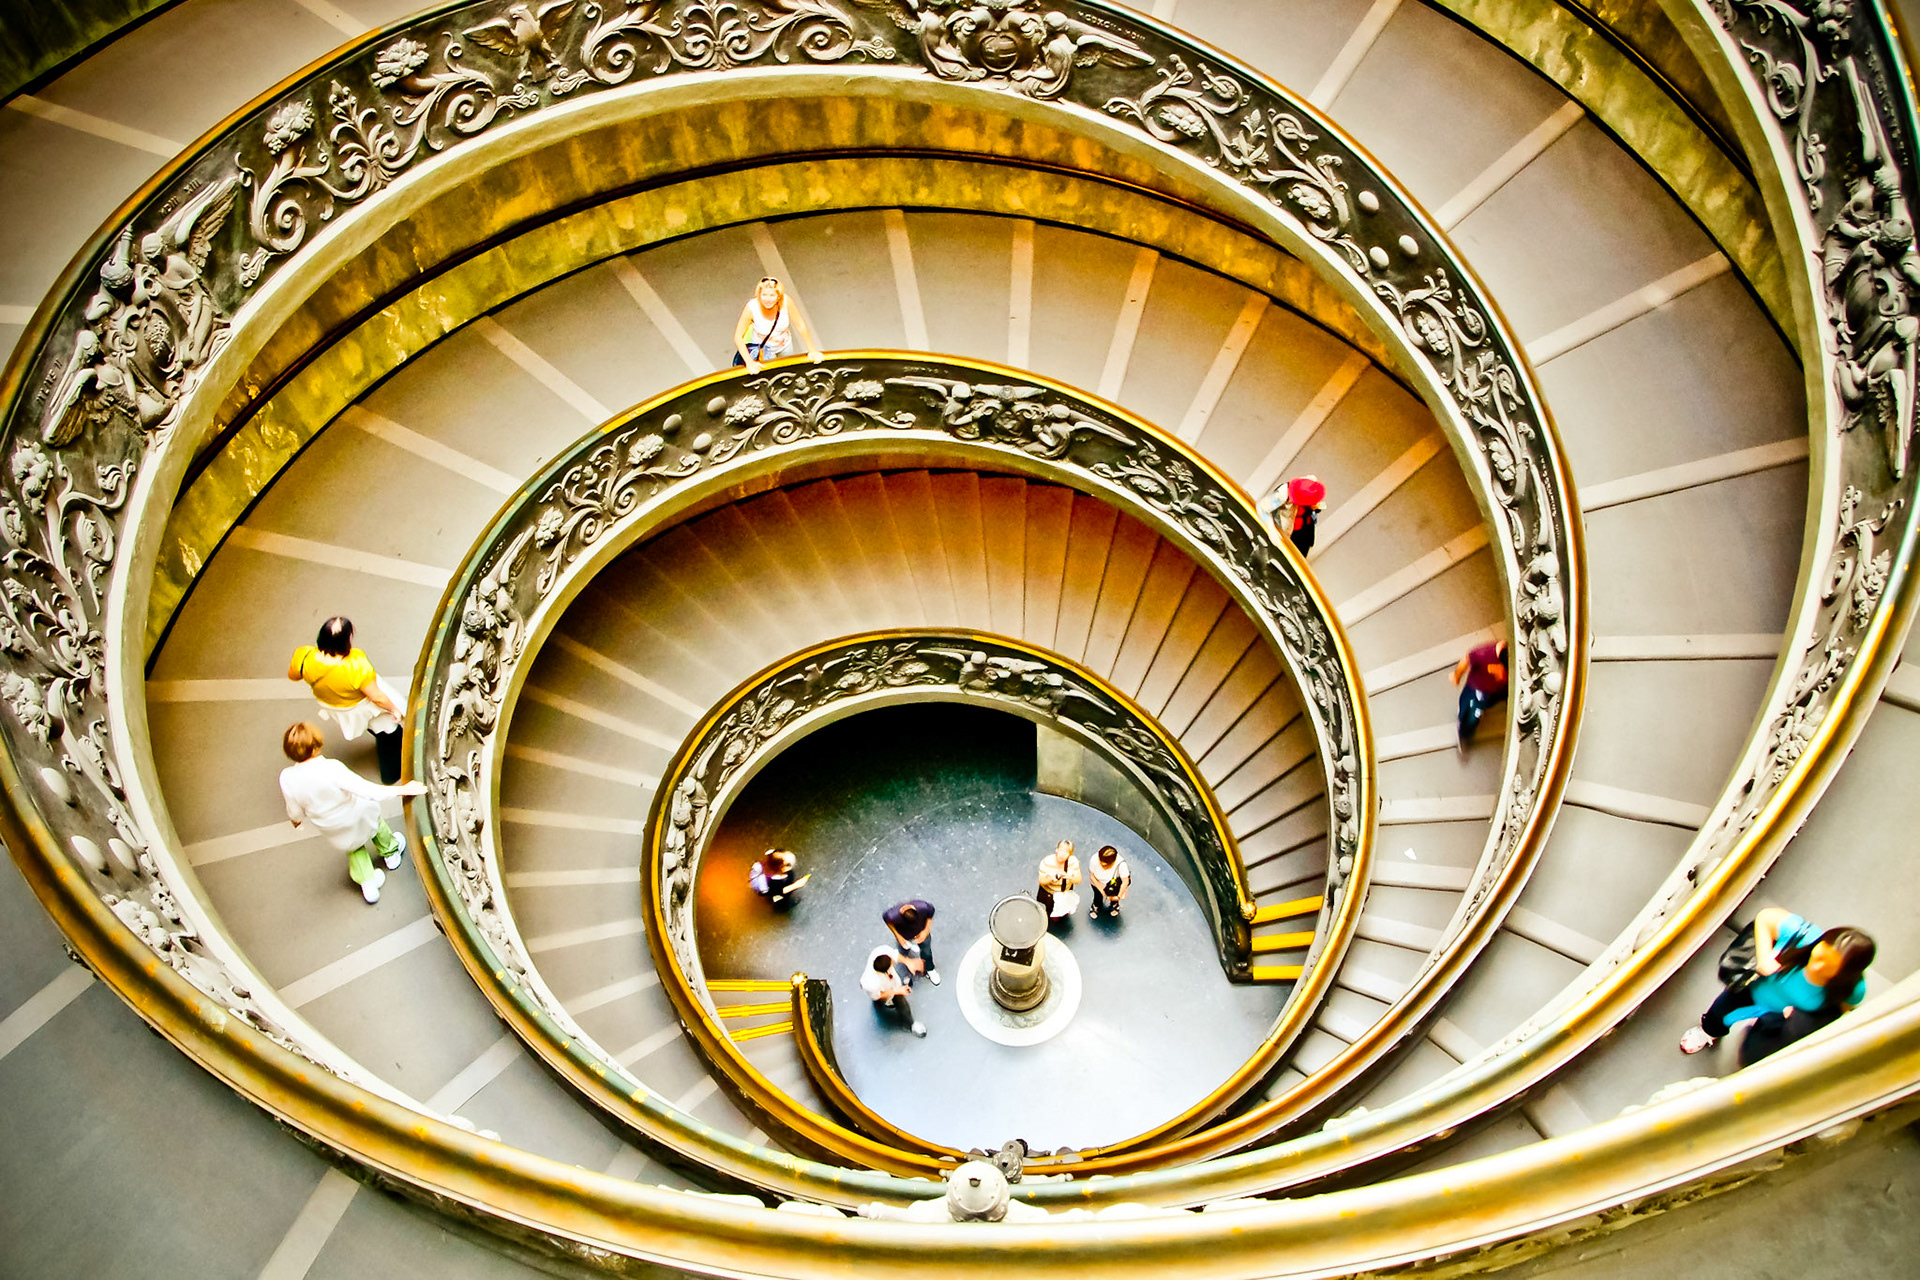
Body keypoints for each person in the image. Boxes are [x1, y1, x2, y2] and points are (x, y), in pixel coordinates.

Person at [1681, 907, 1875, 1065]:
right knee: (1721, 1012)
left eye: (1830, 968)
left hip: (1782, 1020)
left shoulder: (1853, 988)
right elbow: (1766, 917)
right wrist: (1764, 957)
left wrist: (1803, 1022)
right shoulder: (1802, 937)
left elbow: (1843, 1012)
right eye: (1820, 956)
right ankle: (1708, 1031)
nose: (1817, 967)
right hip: (1752, 992)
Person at [278, 722, 425, 904]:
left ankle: (368, 883)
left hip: (331, 825)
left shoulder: (287, 778)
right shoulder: (331, 768)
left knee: (353, 848)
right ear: (315, 747)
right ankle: (391, 853)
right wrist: (401, 790)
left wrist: (296, 821)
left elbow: (294, 809)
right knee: (377, 827)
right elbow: (365, 789)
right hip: (356, 814)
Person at [288, 616, 406, 784]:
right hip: (359, 706)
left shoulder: (304, 656)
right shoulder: (356, 664)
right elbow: (377, 697)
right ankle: (391, 773)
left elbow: (293, 675)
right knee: (390, 733)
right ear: (347, 640)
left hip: (334, 705)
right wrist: (394, 709)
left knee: (376, 729)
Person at [732, 276, 823, 372]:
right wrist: (749, 362)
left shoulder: (786, 302)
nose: (768, 299)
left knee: (788, 371)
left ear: (778, 296)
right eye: (764, 295)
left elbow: (800, 325)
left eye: (772, 295)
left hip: (784, 345)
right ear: (759, 295)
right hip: (764, 350)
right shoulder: (751, 308)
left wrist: (812, 350)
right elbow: (738, 337)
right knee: (769, 375)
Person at [1451, 639, 1509, 749]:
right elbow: (1466, 660)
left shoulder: (1506, 659)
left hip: (1497, 691)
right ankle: (1464, 732)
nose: (1502, 675)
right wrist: (1457, 676)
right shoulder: (1483, 654)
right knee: (1472, 714)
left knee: (1492, 701)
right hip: (1477, 690)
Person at [860, 946, 925, 1037]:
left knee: (898, 991)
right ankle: (910, 1024)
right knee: (901, 1003)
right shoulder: (871, 983)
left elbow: (894, 955)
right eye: (892, 962)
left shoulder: (880, 952)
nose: (893, 961)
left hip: (894, 984)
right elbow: (878, 995)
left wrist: (908, 962)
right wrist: (897, 991)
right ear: (886, 970)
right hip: (884, 992)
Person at [1261, 474, 1325, 556]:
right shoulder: (1284, 493)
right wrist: (1272, 530)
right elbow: (1263, 507)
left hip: (1303, 533)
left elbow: (1320, 505)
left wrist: (1315, 507)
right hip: (1284, 532)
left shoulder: (1310, 491)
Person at [884, 899, 939, 985]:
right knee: (903, 952)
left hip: (921, 932)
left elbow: (930, 914)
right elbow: (887, 921)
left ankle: (930, 969)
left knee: (927, 951)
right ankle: (907, 971)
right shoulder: (892, 915)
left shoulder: (923, 907)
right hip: (904, 936)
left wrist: (926, 931)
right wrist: (898, 936)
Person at [1036, 839, 1082, 924]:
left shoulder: (1073, 862)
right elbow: (1041, 881)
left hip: (1065, 891)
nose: (1062, 854)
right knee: (1048, 911)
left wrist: (1068, 876)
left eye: (1066, 852)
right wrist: (1051, 878)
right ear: (1056, 850)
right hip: (1049, 892)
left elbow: (1078, 880)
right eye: (1061, 850)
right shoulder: (1047, 862)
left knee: (1064, 908)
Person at [1088, 844, 1131, 918]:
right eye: (1101, 863)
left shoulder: (1121, 865)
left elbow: (1125, 881)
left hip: (1113, 885)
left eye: (1106, 865)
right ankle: (1095, 906)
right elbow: (1092, 876)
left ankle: (1114, 905)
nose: (1102, 867)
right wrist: (1101, 890)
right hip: (1097, 883)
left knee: (1113, 898)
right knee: (1097, 896)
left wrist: (1118, 896)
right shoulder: (1094, 859)